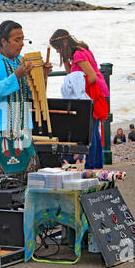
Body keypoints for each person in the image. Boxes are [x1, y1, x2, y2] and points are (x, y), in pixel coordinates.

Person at [0, 20, 52, 186]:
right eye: (17, 40)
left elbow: (32, 94)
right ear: (4, 41)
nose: (22, 44)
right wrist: (16, 76)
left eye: (23, 39)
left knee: (28, 177)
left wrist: (43, 76)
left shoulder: (20, 61)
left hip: (22, 125)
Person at [50, 29, 109, 170]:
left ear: (64, 43)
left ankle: (92, 165)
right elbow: (72, 74)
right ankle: (96, 164)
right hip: (97, 92)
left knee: (90, 131)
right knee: (93, 131)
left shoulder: (79, 55)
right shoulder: (81, 51)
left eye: (58, 48)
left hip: (93, 94)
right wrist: (65, 59)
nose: (57, 52)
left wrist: (78, 89)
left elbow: (92, 76)